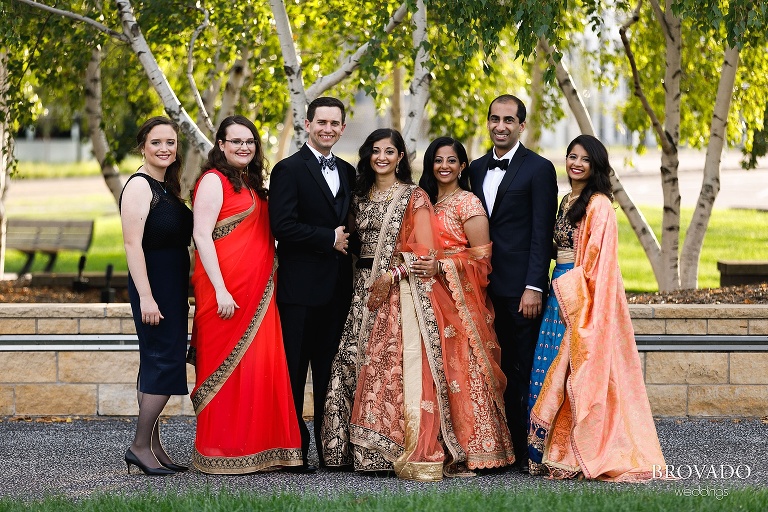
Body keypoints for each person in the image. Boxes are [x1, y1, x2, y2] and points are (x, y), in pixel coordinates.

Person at [321, 128, 461, 482]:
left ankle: (387, 450)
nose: (382, 157)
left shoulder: (413, 197)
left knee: (387, 367)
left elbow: (427, 253)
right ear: (368, 155)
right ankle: (346, 450)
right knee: (349, 361)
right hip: (360, 291)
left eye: (390, 151)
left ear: (401, 157)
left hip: (397, 292)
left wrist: (392, 274)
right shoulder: (358, 197)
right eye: (376, 151)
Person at [528, 135, 667, 481]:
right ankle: (544, 454)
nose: (575, 163)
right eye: (571, 156)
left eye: (584, 159)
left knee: (575, 371)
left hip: (578, 297)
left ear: (596, 165)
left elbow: (597, 263)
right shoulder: (567, 200)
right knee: (548, 370)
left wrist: (577, 304)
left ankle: (572, 453)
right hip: (557, 291)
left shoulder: (600, 204)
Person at [189, 115, 303, 474]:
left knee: (258, 370)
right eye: (235, 141)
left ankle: (261, 450)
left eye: (249, 141)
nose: (243, 147)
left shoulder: (253, 185)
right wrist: (221, 289)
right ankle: (221, 451)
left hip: (260, 293)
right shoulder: (214, 180)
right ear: (220, 145)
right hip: (225, 295)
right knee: (225, 371)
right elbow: (202, 236)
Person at [467, 94, 558, 470]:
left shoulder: (539, 169)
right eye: (494, 119)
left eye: (509, 120)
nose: (500, 126)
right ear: (488, 123)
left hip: (521, 291)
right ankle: (495, 445)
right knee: (489, 367)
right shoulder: (472, 168)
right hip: (479, 288)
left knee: (520, 368)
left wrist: (534, 286)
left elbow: (542, 232)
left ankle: (525, 450)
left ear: (522, 125)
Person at [418, 137, 516, 472]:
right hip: (425, 299)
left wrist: (443, 266)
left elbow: (481, 259)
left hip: (461, 303)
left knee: (465, 368)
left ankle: (480, 448)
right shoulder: (424, 203)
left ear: (462, 166)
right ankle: (437, 445)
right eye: (438, 160)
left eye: (451, 160)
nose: (444, 166)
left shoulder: (468, 204)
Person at [268, 97, 355, 473]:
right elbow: (281, 226)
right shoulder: (288, 169)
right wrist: (327, 238)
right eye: (322, 122)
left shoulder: (350, 171)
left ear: (342, 128)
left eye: (335, 123)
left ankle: (330, 450)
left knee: (329, 372)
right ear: (308, 123)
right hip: (298, 291)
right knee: (293, 371)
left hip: (337, 291)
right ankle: (293, 450)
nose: (328, 129)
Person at [120, 116, 193, 476]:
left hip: (172, 285)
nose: (165, 148)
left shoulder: (166, 186)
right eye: (156, 143)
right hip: (154, 287)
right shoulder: (138, 187)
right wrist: (147, 297)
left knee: (154, 362)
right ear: (143, 146)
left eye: (170, 143)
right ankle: (138, 445)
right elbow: (133, 245)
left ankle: (152, 446)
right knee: (164, 362)